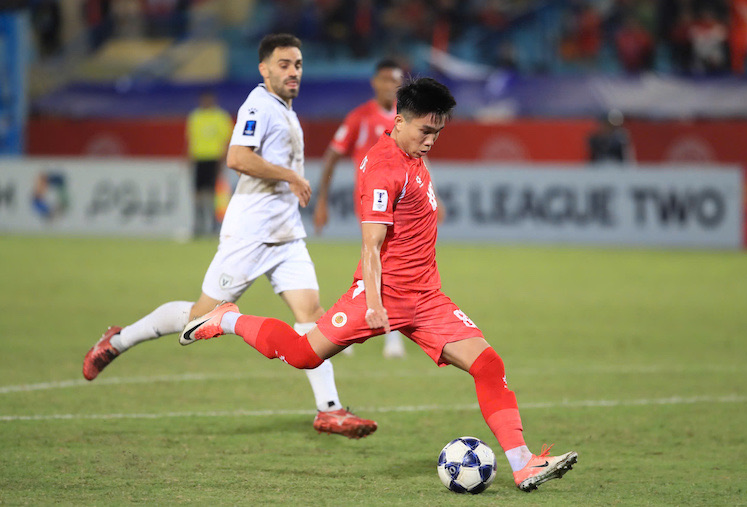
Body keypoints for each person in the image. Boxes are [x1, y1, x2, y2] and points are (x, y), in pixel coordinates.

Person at [180, 77, 578, 492]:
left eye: (437, 133)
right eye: (425, 131)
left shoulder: (414, 156)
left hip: (426, 299)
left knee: (488, 364)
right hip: (381, 296)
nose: (430, 141)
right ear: (400, 121)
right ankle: (227, 318)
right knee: (302, 355)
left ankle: (523, 464)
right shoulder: (384, 166)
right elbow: (371, 244)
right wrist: (373, 302)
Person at [83, 33, 377, 440]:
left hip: (286, 236)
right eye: (284, 64)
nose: (293, 72)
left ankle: (329, 410)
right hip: (250, 236)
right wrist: (291, 175)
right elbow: (237, 157)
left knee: (310, 316)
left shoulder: (284, 109)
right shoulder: (258, 105)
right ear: (264, 69)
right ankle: (119, 339)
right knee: (200, 316)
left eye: (298, 65)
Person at [313, 58, 408, 359]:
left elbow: (418, 156)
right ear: (375, 82)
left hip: (403, 201)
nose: (390, 86)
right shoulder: (360, 117)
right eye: (385, 79)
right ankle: (381, 334)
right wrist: (322, 201)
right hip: (372, 202)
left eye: (396, 81)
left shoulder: (404, 118)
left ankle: (347, 329)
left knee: (386, 263)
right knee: (382, 261)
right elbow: (331, 156)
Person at [186, 90, 233, 236]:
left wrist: (223, 159)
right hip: (199, 158)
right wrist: (188, 157)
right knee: (198, 194)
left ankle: (214, 225)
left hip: (214, 158)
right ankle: (198, 225)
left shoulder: (221, 117)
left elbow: (227, 140)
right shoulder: (195, 117)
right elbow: (190, 139)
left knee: (215, 194)